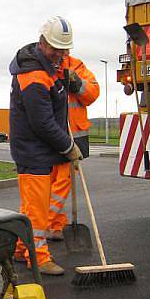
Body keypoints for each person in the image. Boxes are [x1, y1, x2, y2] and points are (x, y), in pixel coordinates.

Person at [9, 16, 82, 276]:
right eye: (55, 49)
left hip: (41, 148)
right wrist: (68, 146)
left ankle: (20, 248)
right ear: (42, 43)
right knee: (37, 209)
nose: (60, 54)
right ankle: (38, 257)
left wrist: (67, 79)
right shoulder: (34, 75)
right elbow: (42, 123)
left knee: (31, 205)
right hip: (32, 149)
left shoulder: (52, 66)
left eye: (64, 50)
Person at [46, 54, 99, 241]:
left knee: (62, 182)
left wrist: (75, 82)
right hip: (52, 134)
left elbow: (93, 93)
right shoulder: (45, 66)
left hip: (74, 136)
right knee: (51, 182)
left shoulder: (76, 66)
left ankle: (49, 221)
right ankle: (53, 224)